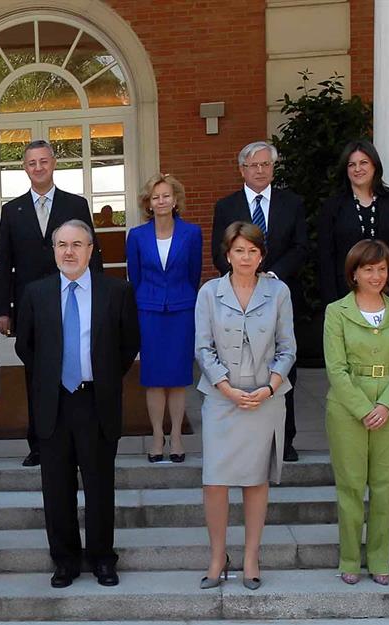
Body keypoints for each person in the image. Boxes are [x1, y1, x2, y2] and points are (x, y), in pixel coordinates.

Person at [16, 220, 139, 588]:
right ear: (53, 250)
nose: (69, 252)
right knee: (56, 486)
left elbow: (127, 345)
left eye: (77, 245)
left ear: (90, 250)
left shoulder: (115, 291)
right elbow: (27, 346)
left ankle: (102, 558)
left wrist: (100, 376)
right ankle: (65, 560)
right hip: (54, 402)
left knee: (100, 484)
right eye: (62, 245)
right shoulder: (36, 293)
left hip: (95, 400)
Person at [195, 222, 297, 591]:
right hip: (222, 400)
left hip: (264, 399)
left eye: (252, 251)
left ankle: (252, 556)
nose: (246, 257)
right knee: (215, 482)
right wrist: (226, 387)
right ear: (227, 254)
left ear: (261, 255)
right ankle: (218, 556)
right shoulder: (210, 292)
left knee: (255, 481)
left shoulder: (278, 291)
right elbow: (203, 348)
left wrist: (269, 388)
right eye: (239, 251)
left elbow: (288, 347)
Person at [0, 139, 103, 467]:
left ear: (53, 164)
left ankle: (80, 436)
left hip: (73, 300)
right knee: (36, 374)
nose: (38, 168)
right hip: (32, 305)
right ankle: (39, 442)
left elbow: (91, 254)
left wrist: (98, 299)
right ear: (24, 168)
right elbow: (3, 262)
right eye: (31, 163)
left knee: (78, 364)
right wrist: (1, 309)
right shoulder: (13, 211)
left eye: (43, 161)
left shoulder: (76, 204)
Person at [324, 240, 389, 585]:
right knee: (350, 485)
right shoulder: (337, 312)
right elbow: (335, 368)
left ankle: (379, 556)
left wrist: (385, 405)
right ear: (354, 272)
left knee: (384, 485)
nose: (375, 275)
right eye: (368, 269)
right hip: (348, 408)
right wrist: (364, 408)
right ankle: (349, 558)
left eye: (381, 269)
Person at [210, 142, 308, 462]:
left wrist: (273, 275)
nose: (261, 170)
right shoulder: (226, 206)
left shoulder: (291, 203)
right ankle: (244, 437)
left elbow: (300, 247)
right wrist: (246, 278)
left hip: (280, 294)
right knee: (242, 366)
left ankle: (285, 438)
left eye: (266, 164)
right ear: (242, 170)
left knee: (281, 364)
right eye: (254, 166)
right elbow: (217, 252)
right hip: (238, 299)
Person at [126, 173, 202, 463]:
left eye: (166, 195)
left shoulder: (192, 233)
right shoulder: (137, 235)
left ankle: (178, 439)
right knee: (155, 379)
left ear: (175, 199)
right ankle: (158, 437)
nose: (161, 201)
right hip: (149, 313)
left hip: (182, 312)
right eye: (155, 196)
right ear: (148, 202)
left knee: (178, 379)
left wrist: (180, 299)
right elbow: (136, 276)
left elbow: (193, 274)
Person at [317, 139, 389, 316]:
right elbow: (326, 257)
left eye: (363, 162)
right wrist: (332, 302)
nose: (358, 169)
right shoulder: (333, 206)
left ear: (374, 165)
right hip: (346, 297)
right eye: (352, 164)